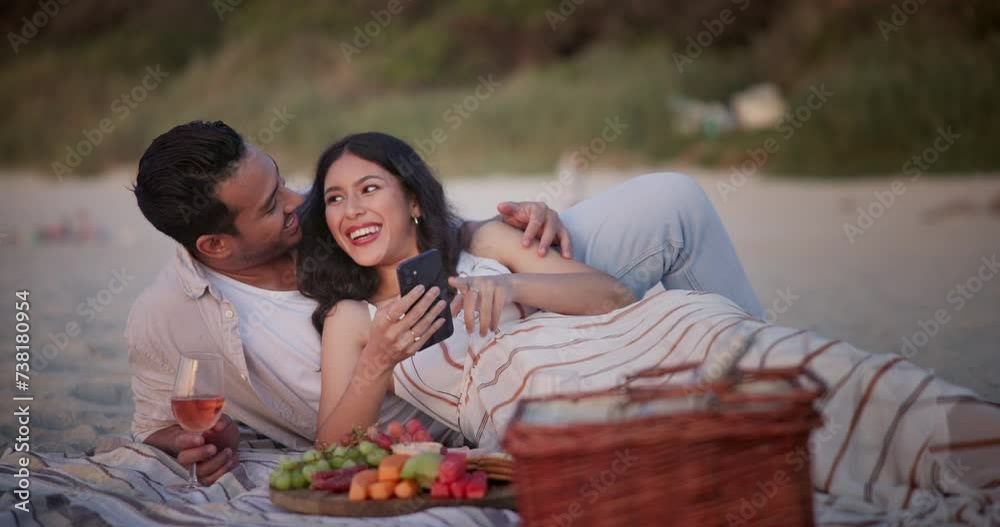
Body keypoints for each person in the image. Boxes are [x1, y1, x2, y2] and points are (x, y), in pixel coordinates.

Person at [300, 131, 999, 513]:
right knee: (741, 450)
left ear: (413, 201)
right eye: (335, 198)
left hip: (654, 335)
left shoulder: (479, 242)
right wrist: (376, 364)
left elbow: (609, 296)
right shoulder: (354, 318)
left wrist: (514, 287)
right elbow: (329, 441)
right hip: (555, 409)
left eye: (369, 188)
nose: (352, 209)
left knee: (830, 375)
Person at [126, 121, 762, 484]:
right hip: (454, 392)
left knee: (673, 204)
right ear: (215, 243)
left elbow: (405, 210)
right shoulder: (167, 319)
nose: (301, 202)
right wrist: (188, 442)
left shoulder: (326, 211)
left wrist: (518, 227)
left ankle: (774, 393)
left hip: (488, 285)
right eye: (271, 207)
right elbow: (157, 424)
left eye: (282, 179)